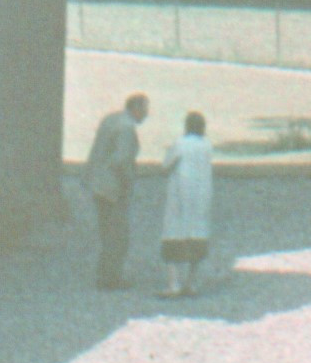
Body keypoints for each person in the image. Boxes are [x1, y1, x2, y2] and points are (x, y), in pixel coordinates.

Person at [83, 92, 148, 290]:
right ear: (136, 109)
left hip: (97, 182)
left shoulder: (111, 119)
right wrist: (128, 182)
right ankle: (111, 278)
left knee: (106, 232)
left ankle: (104, 274)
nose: (146, 115)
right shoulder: (127, 128)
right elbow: (121, 160)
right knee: (118, 235)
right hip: (113, 188)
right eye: (145, 110)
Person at [158, 110, 217, 297]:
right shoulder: (207, 146)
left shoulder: (179, 144)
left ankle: (174, 283)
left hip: (179, 197)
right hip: (201, 197)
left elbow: (166, 166)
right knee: (197, 237)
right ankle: (191, 283)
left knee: (173, 237)